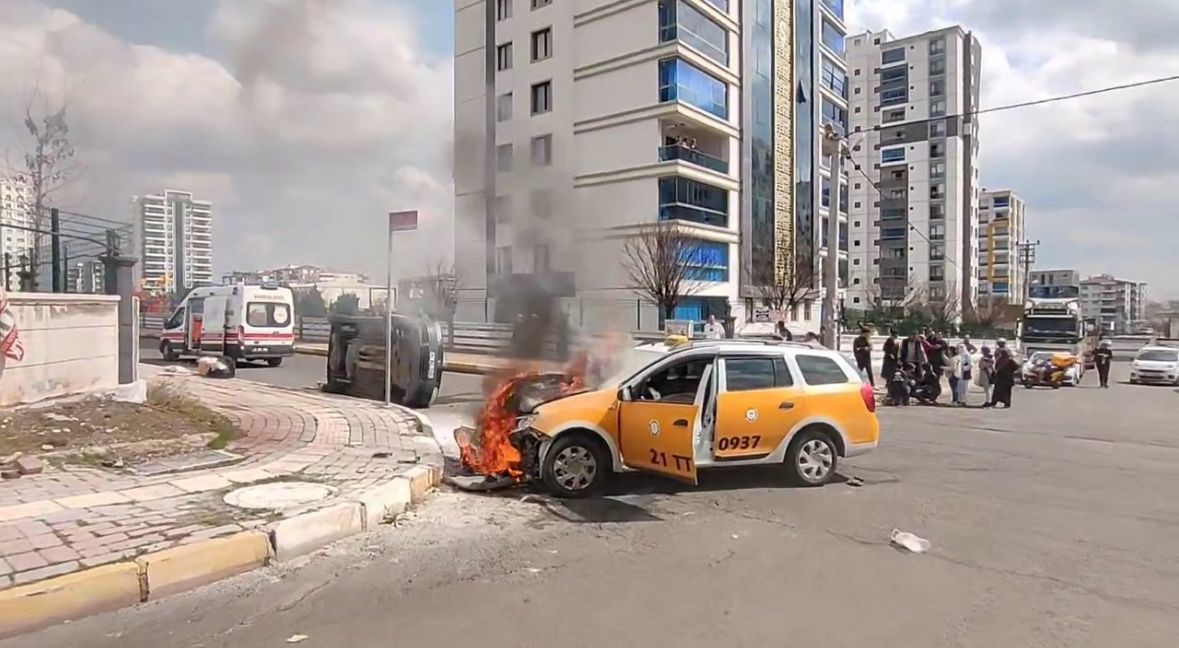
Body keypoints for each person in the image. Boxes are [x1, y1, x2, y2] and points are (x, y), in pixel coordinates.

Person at [990, 344, 1018, 408]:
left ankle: (1006, 403)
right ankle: (995, 402)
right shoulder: (1000, 360)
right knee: (998, 391)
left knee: (1006, 392)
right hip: (1001, 378)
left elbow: (1016, 367)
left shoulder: (1009, 360)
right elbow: (996, 367)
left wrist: (1010, 371)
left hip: (1006, 379)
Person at [953, 339, 973, 405]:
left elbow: (970, 365)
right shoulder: (958, 356)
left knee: (965, 387)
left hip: (965, 373)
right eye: (959, 348)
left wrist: (963, 368)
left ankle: (964, 400)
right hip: (959, 373)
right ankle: (959, 400)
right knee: (959, 387)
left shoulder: (967, 355)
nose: (960, 349)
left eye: (961, 347)